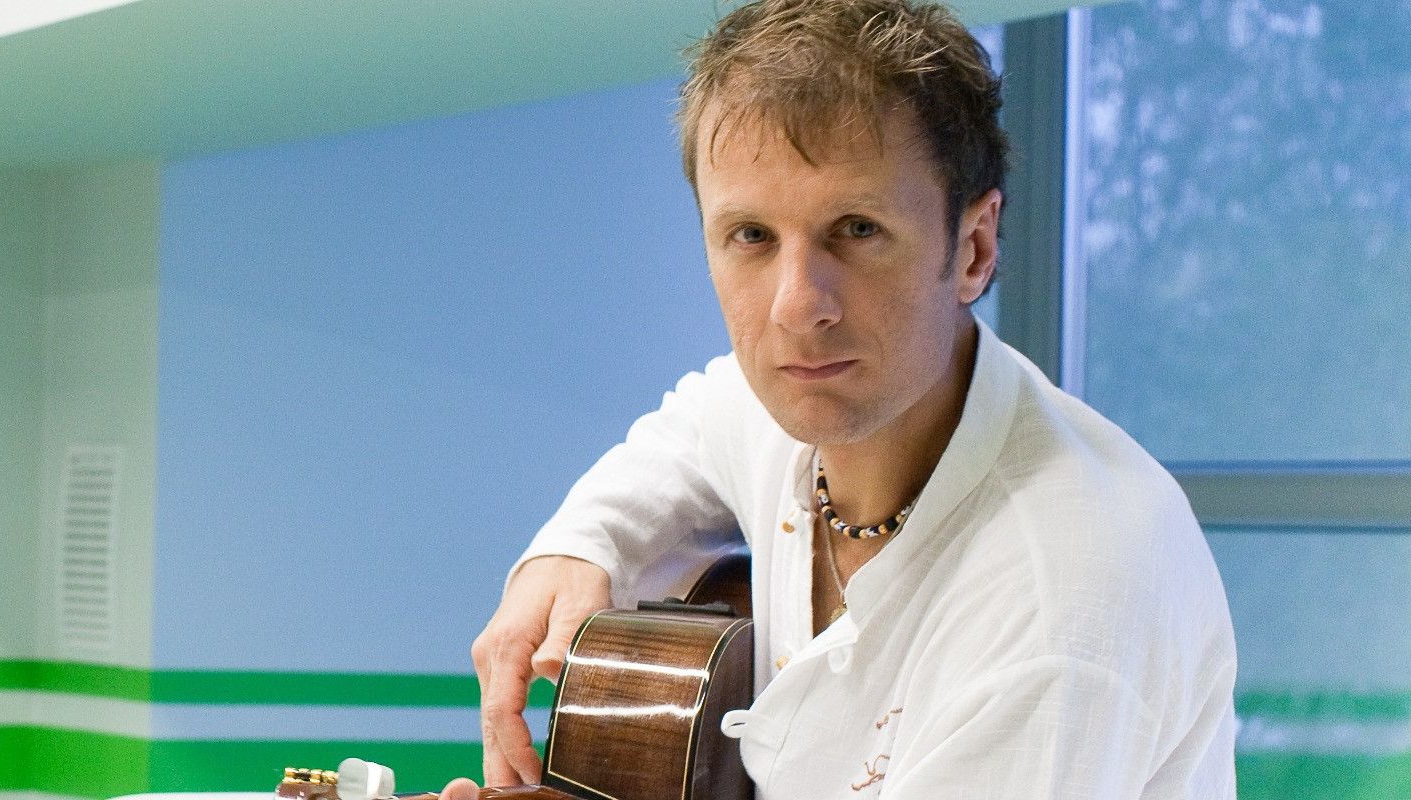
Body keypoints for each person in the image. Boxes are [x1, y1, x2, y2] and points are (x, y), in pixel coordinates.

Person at [442, 1, 1238, 797]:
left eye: (857, 230)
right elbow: (695, 426)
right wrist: (579, 547)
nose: (796, 307)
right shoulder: (803, 395)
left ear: (974, 248)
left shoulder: (1060, 606)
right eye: (751, 236)